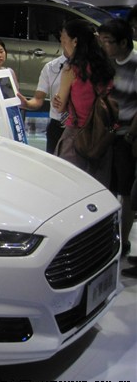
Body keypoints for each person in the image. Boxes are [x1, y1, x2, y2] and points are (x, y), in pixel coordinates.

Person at [53, 19, 115, 187]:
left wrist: (59, 103)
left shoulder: (71, 70)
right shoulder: (105, 67)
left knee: (71, 188)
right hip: (103, 138)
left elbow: (60, 107)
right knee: (98, 189)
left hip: (77, 137)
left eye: (64, 39)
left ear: (75, 41)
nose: (63, 43)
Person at [98, 18, 137, 261]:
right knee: (107, 188)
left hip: (126, 136)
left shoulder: (134, 64)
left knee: (126, 191)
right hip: (107, 135)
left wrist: (131, 134)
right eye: (102, 41)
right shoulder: (107, 63)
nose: (105, 46)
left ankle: (124, 241)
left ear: (123, 42)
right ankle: (108, 240)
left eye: (108, 41)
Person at [20, 49, 69, 154]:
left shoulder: (89, 66)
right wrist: (27, 104)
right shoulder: (51, 67)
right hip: (57, 125)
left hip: (81, 128)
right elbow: (38, 99)